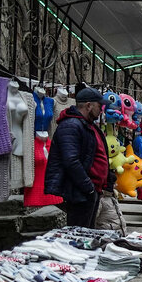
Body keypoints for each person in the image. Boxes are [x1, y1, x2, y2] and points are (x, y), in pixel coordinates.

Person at [44, 86, 109, 227]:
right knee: (79, 233)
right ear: (89, 106)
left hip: (90, 191)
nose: (101, 110)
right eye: (100, 105)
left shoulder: (87, 125)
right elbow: (71, 161)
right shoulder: (71, 126)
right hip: (80, 192)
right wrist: (89, 187)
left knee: (87, 232)